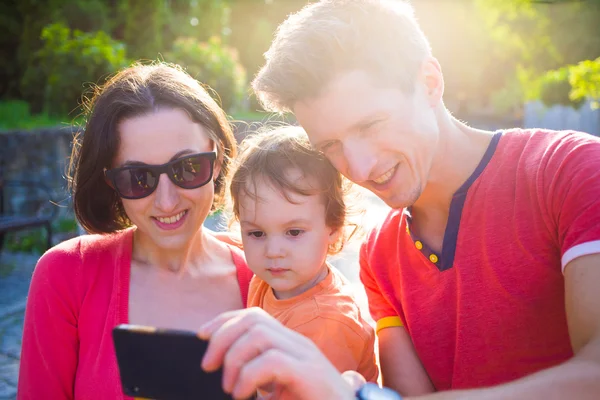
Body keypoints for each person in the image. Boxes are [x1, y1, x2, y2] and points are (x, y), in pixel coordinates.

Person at [208, 0, 600, 398]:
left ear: (429, 82)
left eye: (371, 124)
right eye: (330, 145)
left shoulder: (572, 171)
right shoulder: (379, 255)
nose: (358, 168)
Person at [17, 63, 253, 399]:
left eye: (187, 167)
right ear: (110, 182)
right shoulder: (66, 275)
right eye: (138, 177)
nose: (167, 201)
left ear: (216, 160)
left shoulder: (265, 276)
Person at [227, 126, 379, 387]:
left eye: (293, 232)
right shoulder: (274, 279)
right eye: (257, 233)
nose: (273, 251)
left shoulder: (327, 322)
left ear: (333, 227)